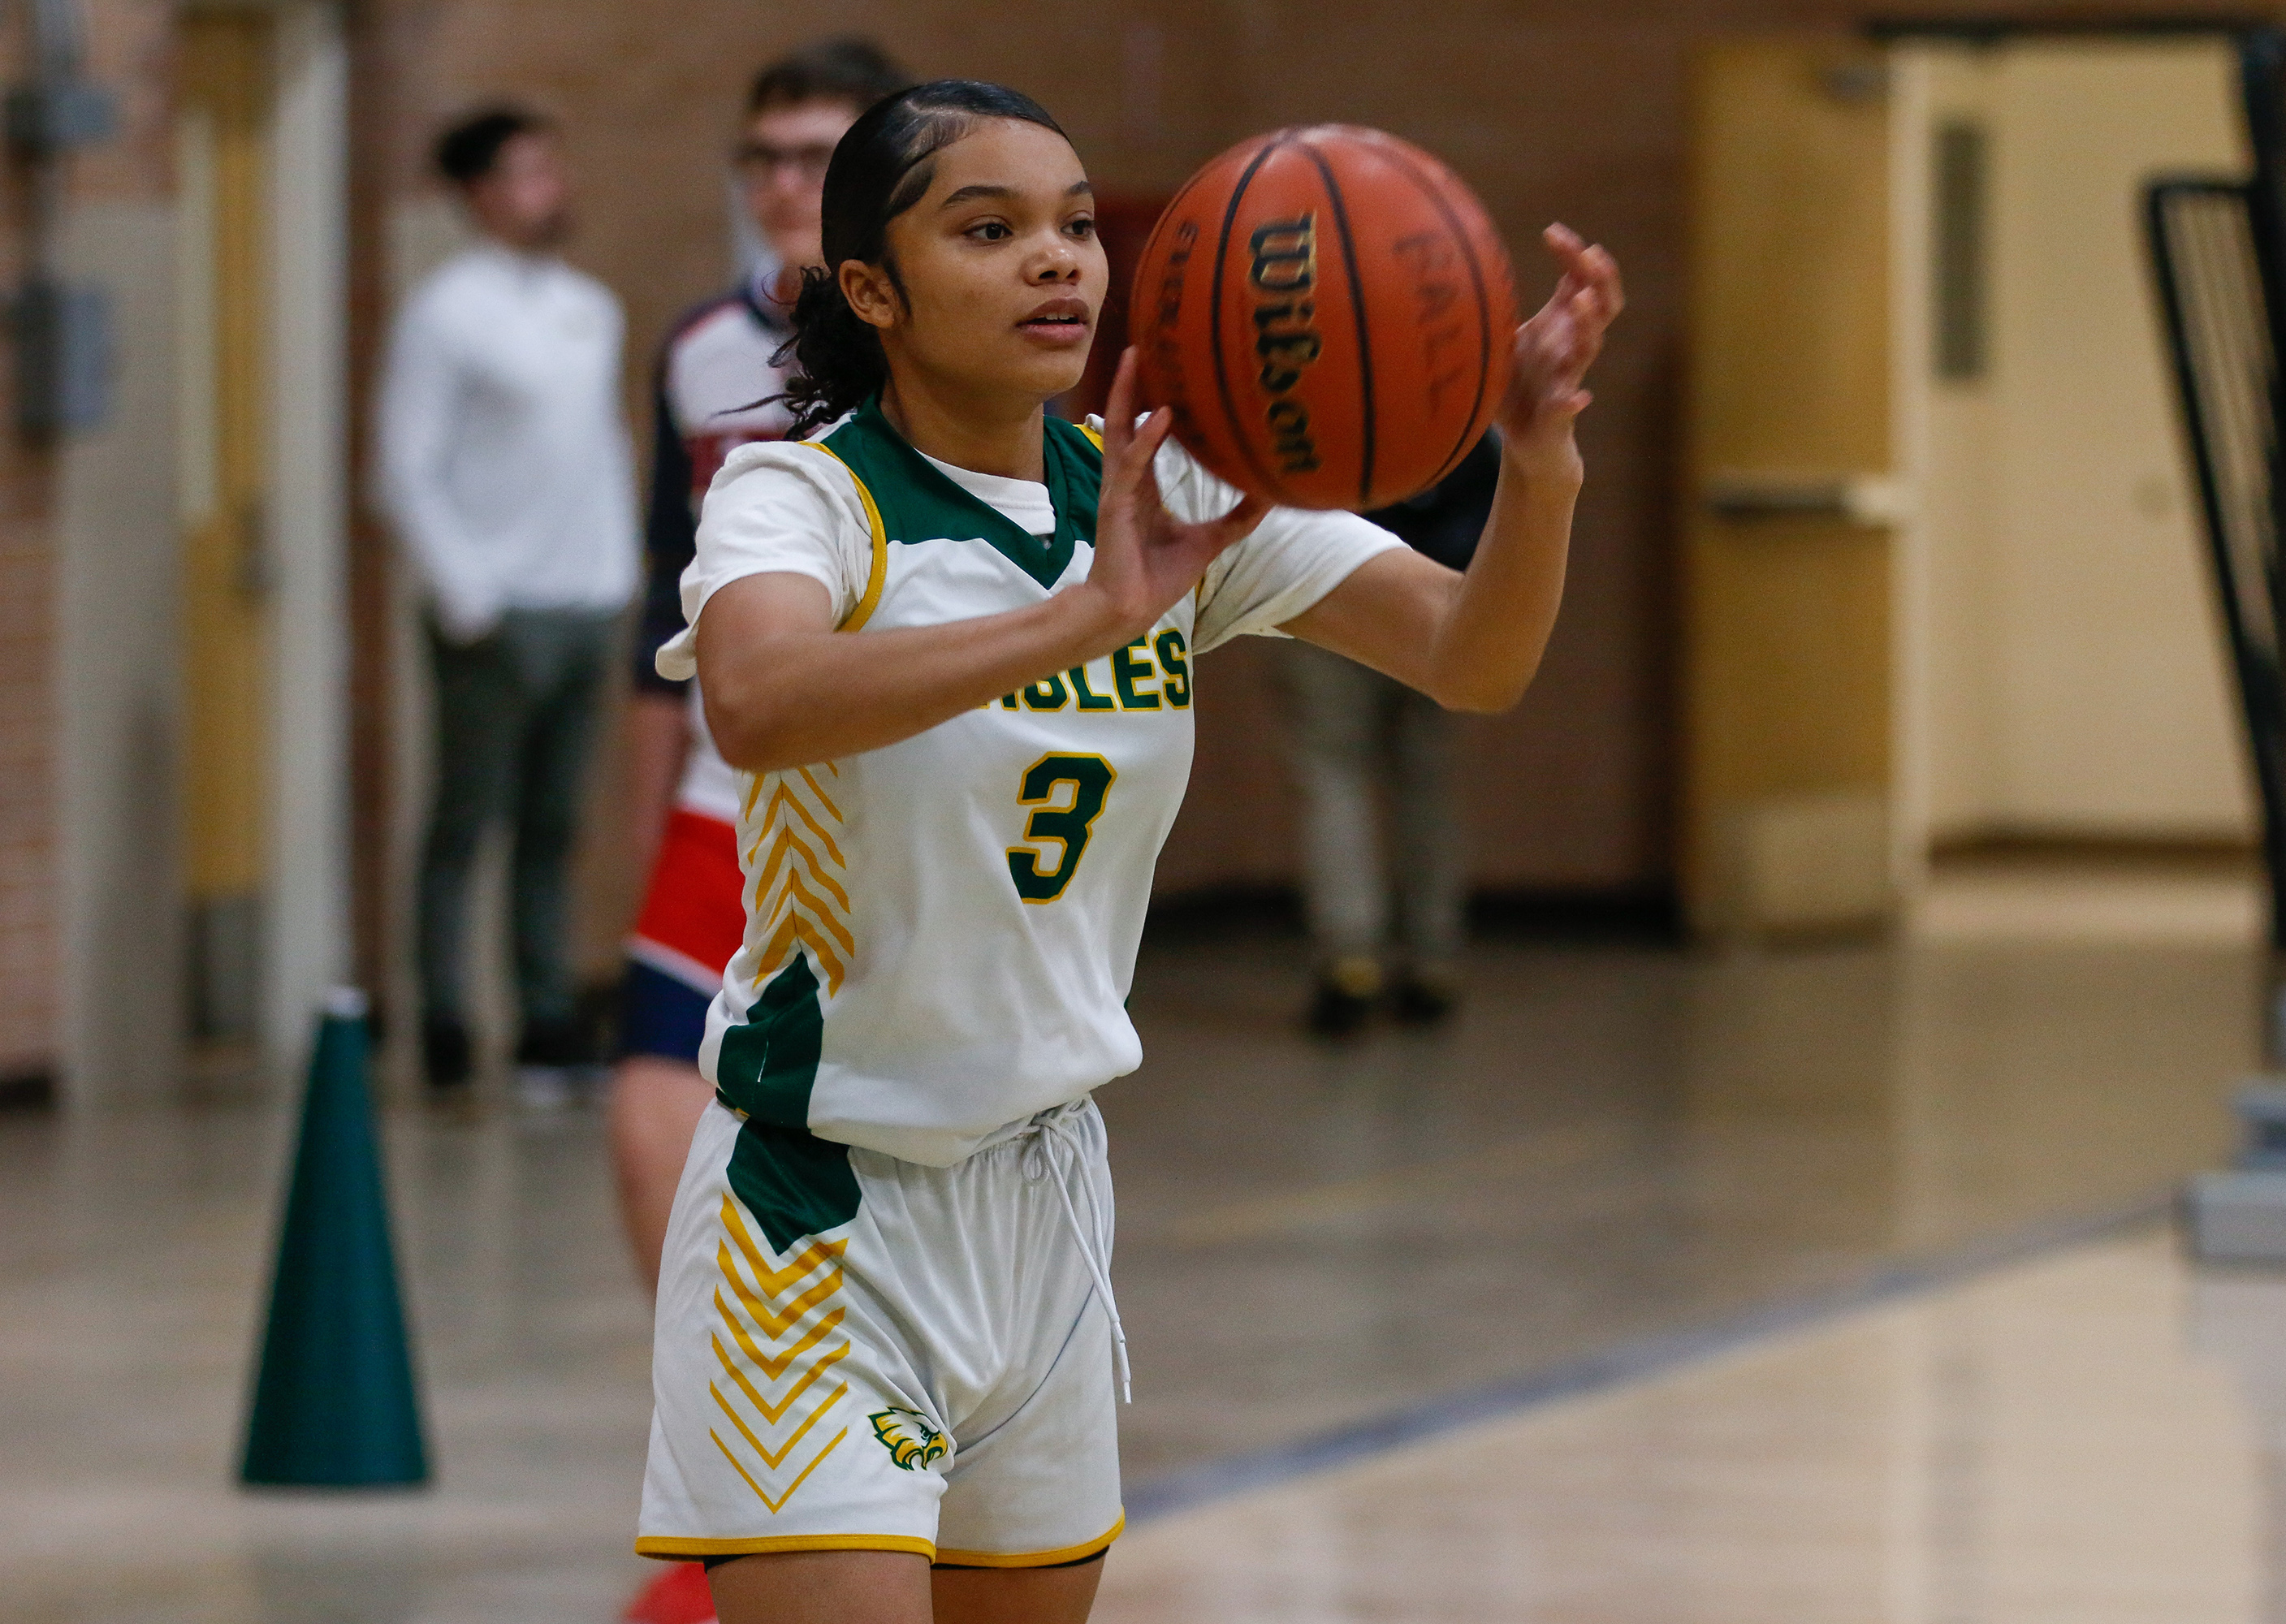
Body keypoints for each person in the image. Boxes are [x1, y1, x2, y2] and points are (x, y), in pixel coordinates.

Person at [633, 80, 1620, 1624]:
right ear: (874, 291)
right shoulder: (807, 497)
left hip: (1047, 1206)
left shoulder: (1173, 501)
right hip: (821, 1212)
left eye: (1077, 227)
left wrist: (1539, 457)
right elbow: (756, 702)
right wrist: (1084, 616)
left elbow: (1471, 658)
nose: (1058, 261)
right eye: (992, 228)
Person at [614, 41, 909, 1624]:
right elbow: (659, 596)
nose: (783, 182)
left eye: (817, 155)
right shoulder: (693, 357)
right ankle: (726, 1521)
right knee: (649, 1144)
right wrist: (640, 815)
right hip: (726, 808)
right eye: (764, 157)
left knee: (856, 1207)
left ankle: (847, 1512)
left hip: (886, 834)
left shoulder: (960, 373)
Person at [379, 106, 637, 1106]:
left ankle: (545, 1019)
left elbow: (601, 452)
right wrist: (470, 598)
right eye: (525, 174)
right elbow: (404, 467)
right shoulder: (446, 314)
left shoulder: (589, 305)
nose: (548, 189)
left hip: (584, 600)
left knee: (554, 822)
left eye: (550, 168)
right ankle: (445, 1016)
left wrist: (615, 576)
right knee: (466, 820)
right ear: (479, 194)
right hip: (497, 611)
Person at [1277, 429, 1502, 1036]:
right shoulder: (1468, 398)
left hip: (1320, 590)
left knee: (1332, 775)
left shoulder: (1301, 381)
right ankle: (1433, 960)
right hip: (1440, 600)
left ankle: (1350, 961)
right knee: (1426, 783)